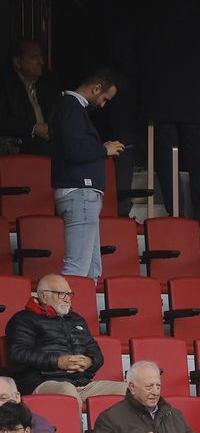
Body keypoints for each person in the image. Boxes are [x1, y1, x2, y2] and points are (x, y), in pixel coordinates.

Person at [48, 68, 122, 279]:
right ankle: (63, 312)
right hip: (79, 193)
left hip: (81, 194)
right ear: (96, 88)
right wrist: (102, 149)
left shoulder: (71, 108)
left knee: (91, 270)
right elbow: (74, 150)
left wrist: (101, 148)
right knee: (77, 268)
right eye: (104, 99)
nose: (102, 105)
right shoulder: (71, 106)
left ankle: (81, 312)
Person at [4, 275, 117, 401]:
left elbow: (94, 349)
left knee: (128, 390)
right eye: (61, 294)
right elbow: (18, 354)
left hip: (81, 384)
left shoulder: (76, 319)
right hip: (41, 382)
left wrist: (89, 361)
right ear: (43, 296)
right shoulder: (24, 319)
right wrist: (58, 362)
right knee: (67, 391)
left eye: (69, 294)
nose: (67, 299)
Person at [1, 37, 54, 156]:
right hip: (21, 148)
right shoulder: (5, 86)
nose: (42, 61)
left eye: (41, 56)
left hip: (47, 144)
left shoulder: (46, 82)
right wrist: (33, 128)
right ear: (17, 62)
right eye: (35, 57)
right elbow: (3, 120)